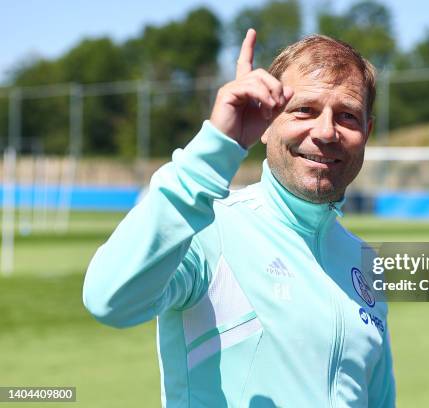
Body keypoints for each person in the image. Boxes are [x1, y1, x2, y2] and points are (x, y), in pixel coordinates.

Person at [83, 29, 395, 408]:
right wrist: (216, 146)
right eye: (305, 110)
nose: (326, 131)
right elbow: (109, 299)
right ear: (267, 122)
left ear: (367, 131)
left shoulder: (364, 264)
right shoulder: (208, 228)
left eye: (347, 116)